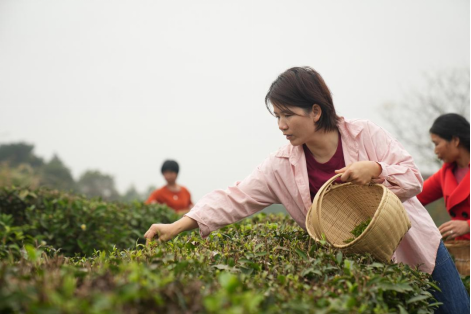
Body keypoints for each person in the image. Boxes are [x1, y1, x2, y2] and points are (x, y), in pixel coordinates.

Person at [145, 67, 470, 313]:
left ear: (316, 111)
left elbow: (413, 178)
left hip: (417, 248)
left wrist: (376, 170)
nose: (281, 125)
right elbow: (235, 197)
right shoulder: (281, 164)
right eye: (277, 116)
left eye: (288, 114)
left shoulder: (364, 135)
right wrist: (178, 225)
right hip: (362, 267)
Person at [417, 114, 470, 241]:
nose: (435, 151)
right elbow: (414, 196)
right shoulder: (445, 174)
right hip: (462, 253)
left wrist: (467, 225)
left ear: (455, 141)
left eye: (437, 143)